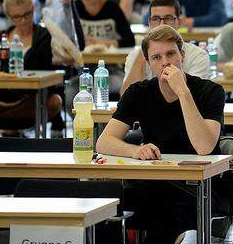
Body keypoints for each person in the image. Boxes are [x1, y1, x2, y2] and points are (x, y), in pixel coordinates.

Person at [96, 24, 225, 244]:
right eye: (156, 57)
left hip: (197, 187)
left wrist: (183, 92)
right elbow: (103, 142)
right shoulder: (139, 92)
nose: (165, 62)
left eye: (171, 54)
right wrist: (135, 150)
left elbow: (204, 147)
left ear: (182, 55)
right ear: (148, 63)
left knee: (163, 217)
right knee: (104, 208)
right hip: (153, 181)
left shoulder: (210, 91)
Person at [0, 0, 64, 141]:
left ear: (33, 8)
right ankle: (8, 121)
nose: (23, 20)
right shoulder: (1, 37)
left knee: (54, 101)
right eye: (17, 17)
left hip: (32, 99)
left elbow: (56, 71)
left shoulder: (46, 36)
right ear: (8, 16)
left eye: (27, 14)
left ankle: (5, 123)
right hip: (1, 99)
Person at [122, 0, 209, 95]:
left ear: (179, 22)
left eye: (168, 18)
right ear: (149, 23)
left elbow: (194, 98)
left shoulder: (198, 56)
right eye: (156, 19)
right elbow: (126, 98)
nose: (161, 25)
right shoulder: (134, 57)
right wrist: (145, 49)